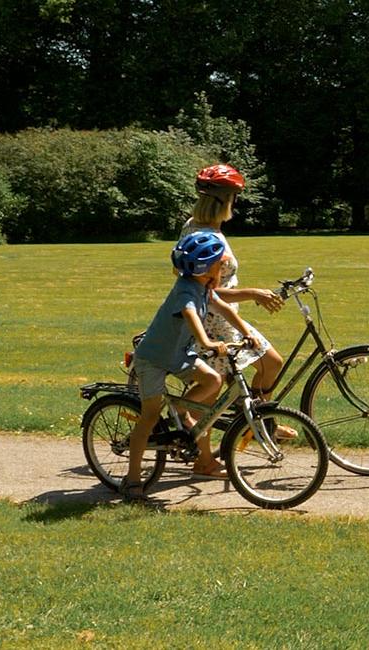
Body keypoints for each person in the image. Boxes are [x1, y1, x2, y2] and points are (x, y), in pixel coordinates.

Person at [121, 231, 260, 501]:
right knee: (149, 417)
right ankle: (133, 479)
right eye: (220, 265)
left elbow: (225, 309)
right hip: (153, 359)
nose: (223, 270)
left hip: (177, 354)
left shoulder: (205, 289)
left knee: (212, 380)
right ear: (205, 269)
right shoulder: (186, 291)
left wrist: (247, 333)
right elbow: (190, 314)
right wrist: (206, 341)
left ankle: (181, 411)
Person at [181, 164, 289, 409]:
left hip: (223, 318)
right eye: (234, 197)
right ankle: (252, 422)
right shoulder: (206, 238)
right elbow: (204, 292)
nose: (235, 202)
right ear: (225, 200)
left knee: (271, 363)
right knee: (208, 400)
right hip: (213, 324)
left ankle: (257, 421)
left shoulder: (195, 225)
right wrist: (253, 294)